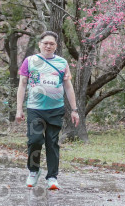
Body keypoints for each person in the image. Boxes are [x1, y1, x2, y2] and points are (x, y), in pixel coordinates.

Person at [15, 31, 80, 190]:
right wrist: (19, 109)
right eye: (45, 43)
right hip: (35, 109)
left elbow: (68, 86)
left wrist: (74, 109)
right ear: (40, 44)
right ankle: (33, 171)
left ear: (56, 46)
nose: (48, 46)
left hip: (55, 109)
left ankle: (52, 177)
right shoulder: (30, 61)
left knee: (52, 143)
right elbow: (22, 85)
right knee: (34, 140)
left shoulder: (62, 63)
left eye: (52, 44)